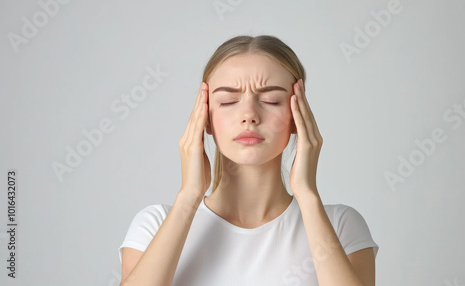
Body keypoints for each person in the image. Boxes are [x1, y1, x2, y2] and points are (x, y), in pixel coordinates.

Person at [118, 35, 379, 286]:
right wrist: (188, 196)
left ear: (299, 117)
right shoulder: (154, 224)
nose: (249, 115)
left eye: (271, 100)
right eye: (229, 101)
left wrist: (308, 195)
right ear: (205, 118)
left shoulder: (340, 225)